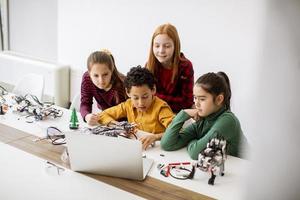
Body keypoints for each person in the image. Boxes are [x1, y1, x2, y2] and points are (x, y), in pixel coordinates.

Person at [160, 72, 247, 160]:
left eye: (202, 99)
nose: (196, 103)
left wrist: (192, 141)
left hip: (245, 169)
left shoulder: (228, 121)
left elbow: (196, 153)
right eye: (195, 98)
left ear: (219, 99)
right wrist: (183, 113)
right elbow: (167, 144)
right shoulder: (203, 120)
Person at [97, 66, 175, 149]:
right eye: (136, 98)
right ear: (128, 92)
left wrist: (155, 137)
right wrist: (120, 126)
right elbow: (102, 115)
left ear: (153, 90)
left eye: (145, 97)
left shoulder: (161, 108)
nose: (140, 103)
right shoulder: (128, 105)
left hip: (159, 149)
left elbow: (177, 130)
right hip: (138, 149)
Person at [146, 23, 194, 113]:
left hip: (178, 113)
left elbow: (187, 102)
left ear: (175, 46)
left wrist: (155, 98)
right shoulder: (149, 66)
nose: (161, 51)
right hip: (155, 112)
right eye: (157, 46)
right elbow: (145, 98)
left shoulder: (185, 66)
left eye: (167, 46)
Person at [80, 50, 127, 125]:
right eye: (96, 76)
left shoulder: (122, 84)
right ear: (89, 73)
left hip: (124, 124)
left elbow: (127, 111)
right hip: (106, 120)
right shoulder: (87, 78)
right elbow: (85, 102)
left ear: (111, 71)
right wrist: (87, 116)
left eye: (105, 74)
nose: (101, 80)